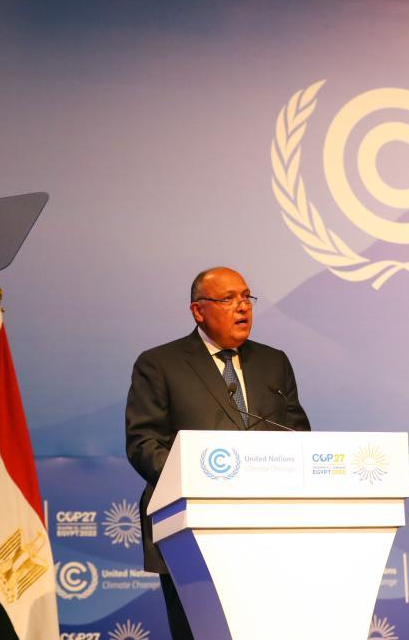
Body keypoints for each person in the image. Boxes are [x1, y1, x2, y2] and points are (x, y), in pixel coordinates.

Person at [125, 267, 311, 639]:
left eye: (246, 297)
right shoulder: (160, 364)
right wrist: (196, 482)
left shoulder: (274, 362)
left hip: (270, 528)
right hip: (191, 529)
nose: (243, 307)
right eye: (228, 299)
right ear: (198, 310)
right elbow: (143, 442)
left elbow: (299, 435)